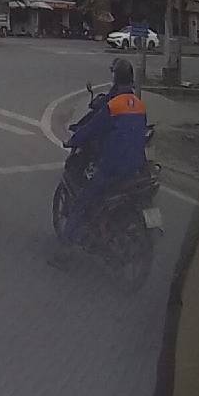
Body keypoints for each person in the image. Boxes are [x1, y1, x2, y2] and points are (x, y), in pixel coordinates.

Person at [54, 60, 148, 263]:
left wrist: (72, 141)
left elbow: (91, 128)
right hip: (137, 167)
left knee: (83, 201)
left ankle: (65, 251)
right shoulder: (139, 105)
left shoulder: (114, 105)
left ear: (115, 77)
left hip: (113, 167)